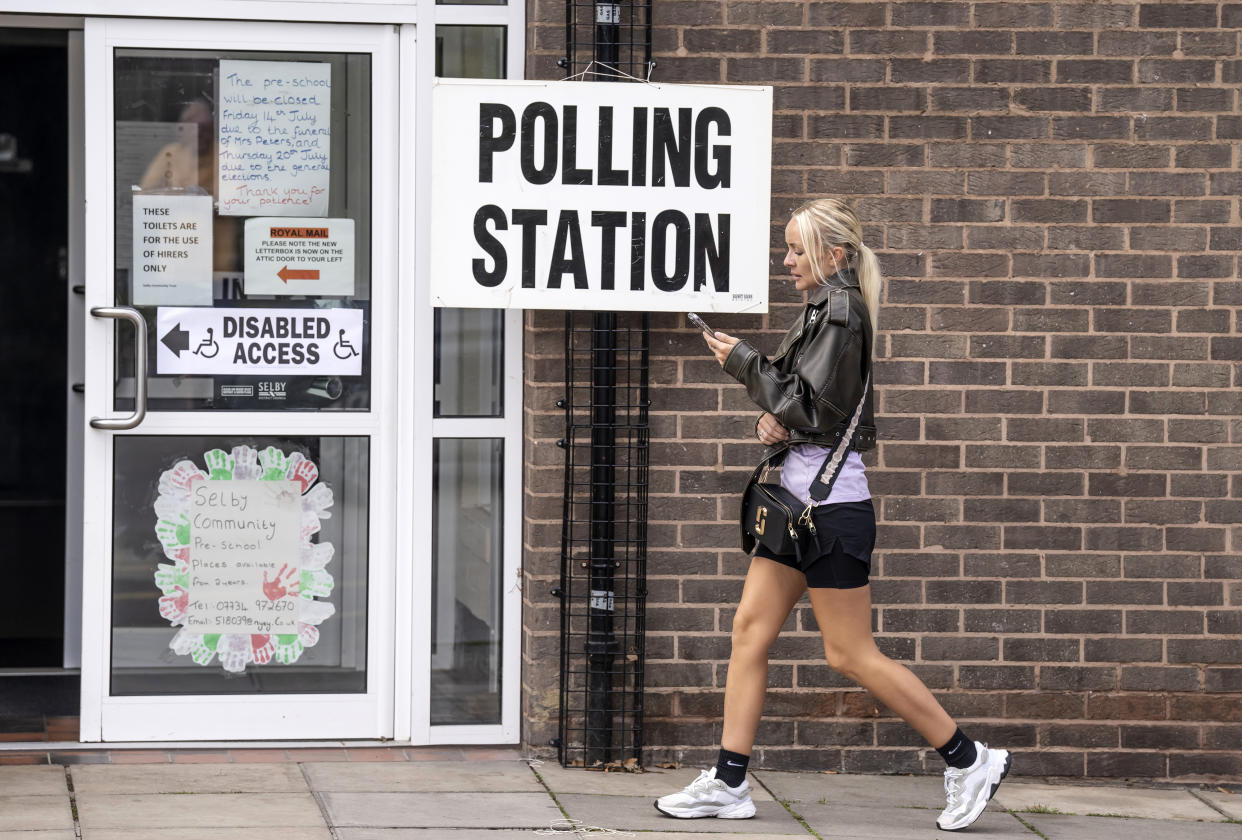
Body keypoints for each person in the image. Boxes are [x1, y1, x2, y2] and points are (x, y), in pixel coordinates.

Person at [653, 198, 1011, 831]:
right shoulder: (824, 309)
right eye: (787, 247)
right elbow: (808, 410)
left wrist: (741, 361)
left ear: (835, 255)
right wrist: (773, 421)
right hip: (798, 504)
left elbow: (811, 408)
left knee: (850, 653)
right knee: (749, 632)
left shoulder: (841, 313)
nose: (786, 260)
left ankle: (969, 758)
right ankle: (730, 784)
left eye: (797, 249)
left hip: (830, 510)